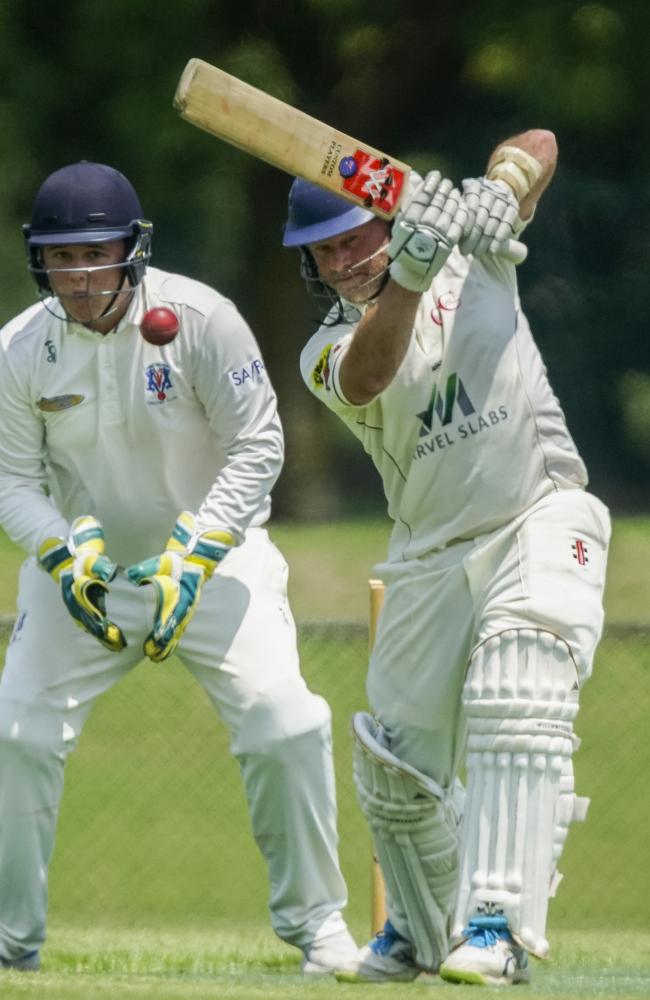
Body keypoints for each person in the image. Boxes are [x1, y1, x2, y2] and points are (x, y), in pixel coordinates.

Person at [0, 160, 360, 975]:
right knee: (14, 732)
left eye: (95, 253)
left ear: (133, 249)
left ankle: (321, 932)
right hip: (85, 577)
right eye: (60, 258)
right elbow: (12, 479)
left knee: (285, 722)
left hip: (214, 564)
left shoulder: (202, 319)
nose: (79, 275)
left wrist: (194, 554)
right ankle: (11, 942)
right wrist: (63, 555)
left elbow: (259, 444)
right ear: (39, 261)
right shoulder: (20, 349)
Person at [282, 132, 610, 986]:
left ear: (388, 220)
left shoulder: (476, 258)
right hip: (428, 552)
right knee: (394, 770)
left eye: (358, 238)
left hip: (537, 512)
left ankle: (496, 927)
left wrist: (506, 185)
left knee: (519, 692)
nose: (346, 260)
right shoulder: (324, 350)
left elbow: (540, 143)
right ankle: (421, 938)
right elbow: (367, 376)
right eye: (327, 250)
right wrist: (408, 279)